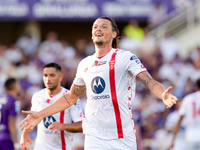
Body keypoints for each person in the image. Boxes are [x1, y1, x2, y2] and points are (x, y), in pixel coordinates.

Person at [20, 16, 178, 150]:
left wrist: (162, 94)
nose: (98, 29)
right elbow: (70, 97)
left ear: (114, 34)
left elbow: (149, 81)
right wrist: (40, 114)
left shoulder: (125, 57)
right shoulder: (85, 64)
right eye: (95, 27)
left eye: (104, 26)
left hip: (122, 136)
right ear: (92, 35)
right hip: (94, 136)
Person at [20, 63, 83, 150]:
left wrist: (63, 126)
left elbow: (82, 126)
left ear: (60, 77)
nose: (48, 79)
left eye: (52, 75)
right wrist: (24, 135)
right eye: (45, 75)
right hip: (40, 147)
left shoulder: (70, 98)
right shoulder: (37, 96)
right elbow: (32, 119)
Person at [170, 78, 200, 150]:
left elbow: (179, 120)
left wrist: (173, 139)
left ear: (196, 86)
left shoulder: (187, 99)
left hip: (191, 136)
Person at [0, 78, 21, 150]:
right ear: (15, 87)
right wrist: (16, 144)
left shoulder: (1, 98)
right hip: (7, 137)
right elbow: (12, 124)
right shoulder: (13, 101)